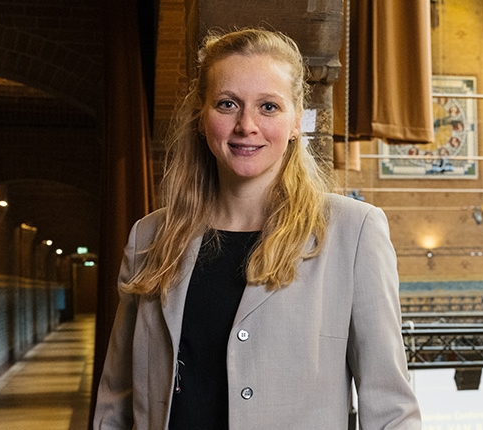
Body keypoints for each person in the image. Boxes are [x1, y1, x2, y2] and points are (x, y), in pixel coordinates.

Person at [92, 28, 421, 429]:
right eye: (228, 104)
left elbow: (390, 409)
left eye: (268, 107)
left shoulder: (354, 232)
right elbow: (116, 401)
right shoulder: (149, 237)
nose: (247, 125)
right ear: (202, 118)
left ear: (297, 121)